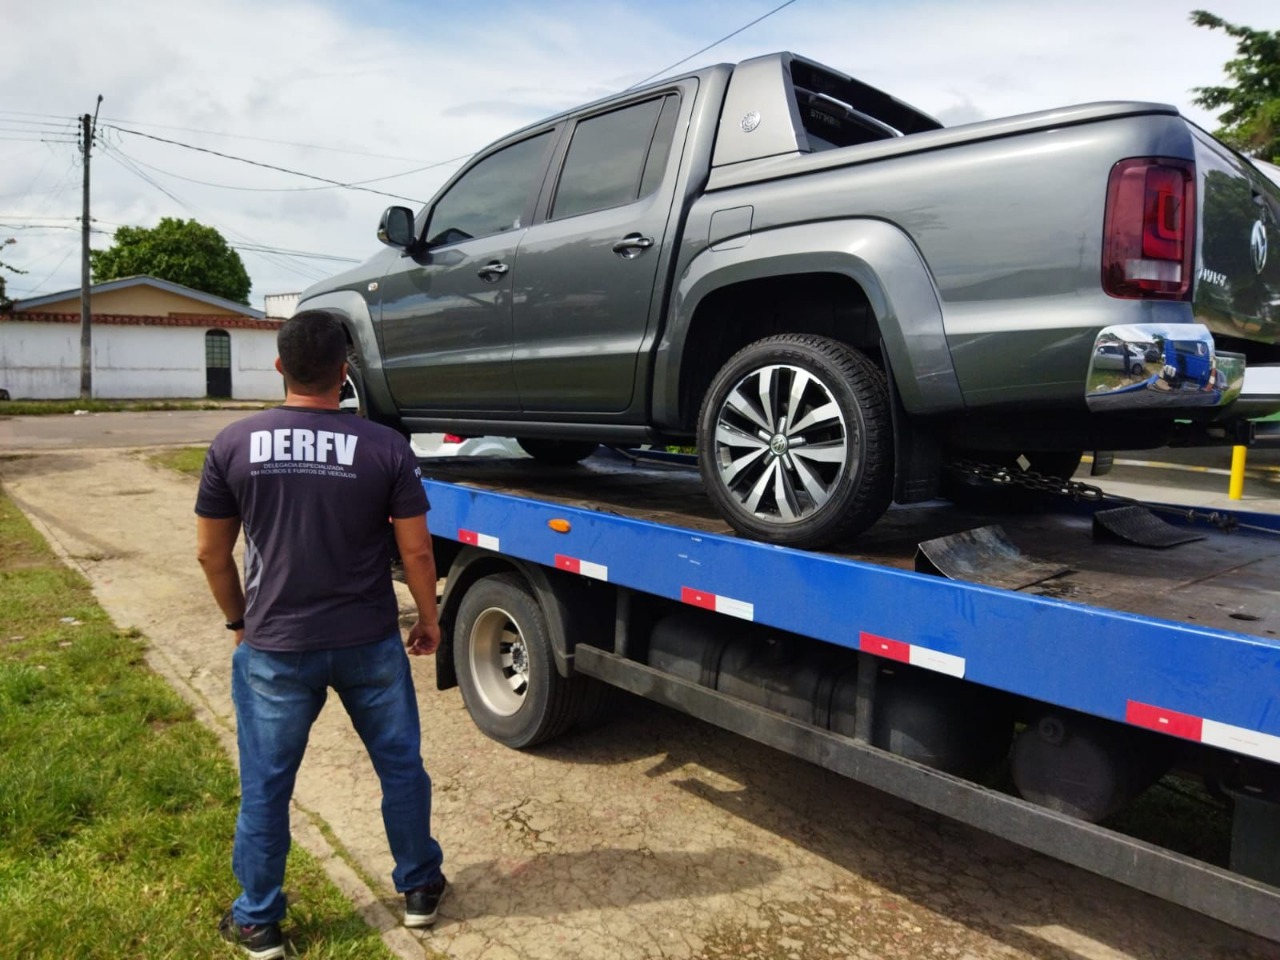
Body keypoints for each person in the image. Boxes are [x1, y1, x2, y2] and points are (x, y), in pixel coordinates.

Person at [195, 310, 446, 959]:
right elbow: (416, 553)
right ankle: (419, 889)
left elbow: (211, 555)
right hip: (368, 642)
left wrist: (238, 623)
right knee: (400, 770)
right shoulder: (385, 446)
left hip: (275, 647)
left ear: (279, 367)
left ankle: (259, 920)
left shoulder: (233, 443)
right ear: (345, 371)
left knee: (267, 785)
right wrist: (429, 618)